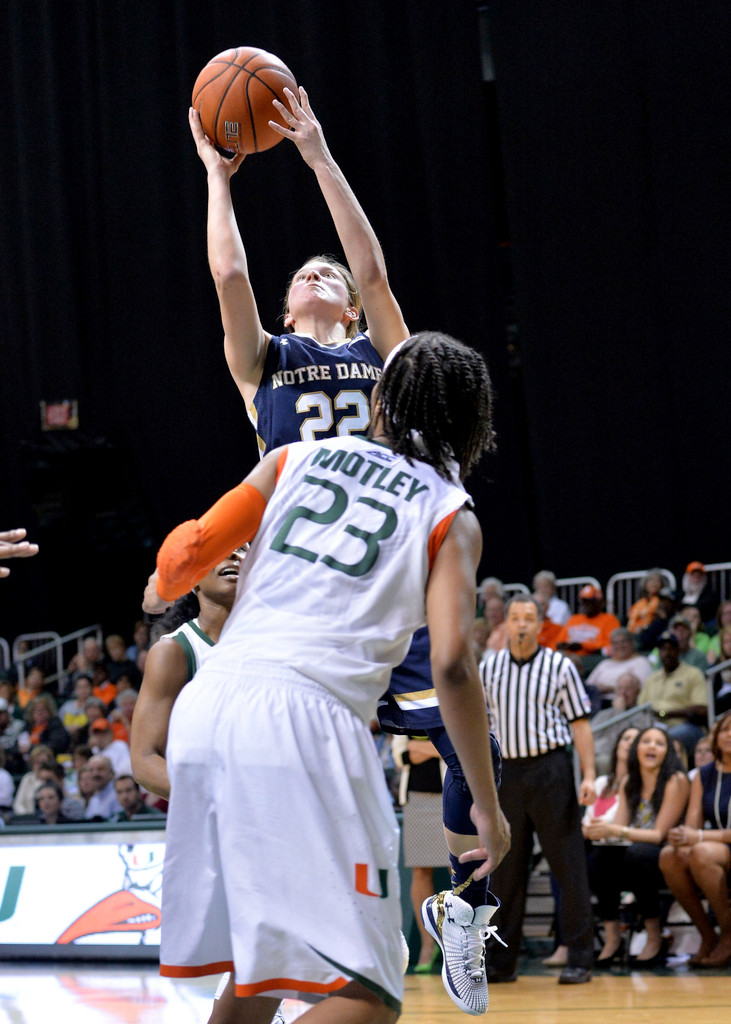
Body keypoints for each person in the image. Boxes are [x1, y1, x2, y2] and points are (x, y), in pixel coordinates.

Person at [193, 89, 503, 1016]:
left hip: (389, 584)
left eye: (328, 272)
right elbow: (228, 277)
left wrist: (320, 157)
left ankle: (465, 910)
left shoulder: (390, 361)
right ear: (289, 300)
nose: (323, 275)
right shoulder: (267, 365)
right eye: (309, 272)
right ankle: (295, 932)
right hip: (310, 596)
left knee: (461, 730)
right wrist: (218, 177)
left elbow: (370, 269)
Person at [154, 332, 509, 1023]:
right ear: (472, 424)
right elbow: (451, 665)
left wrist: (165, 572)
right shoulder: (447, 512)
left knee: (261, 971)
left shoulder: (291, 457)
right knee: (369, 994)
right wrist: (488, 811)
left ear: (378, 397)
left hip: (210, 707)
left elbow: (188, 556)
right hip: (304, 718)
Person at [480, 596, 596, 985]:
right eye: (515, 618)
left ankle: (580, 957)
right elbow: (478, 725)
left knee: (569, 866)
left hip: (551, 769)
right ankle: (500, 962)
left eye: (529, 618)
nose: (522, 625)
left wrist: (589, 775)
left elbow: (580, 724)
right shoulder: (488, 666)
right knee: (506, 870)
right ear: (506, 625)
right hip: (506, 772)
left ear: (540, 624)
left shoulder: (559, 666)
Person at [131, 551, 243, 799]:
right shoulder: (175, 651)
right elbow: (145, 759)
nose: (234, 557)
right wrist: (220, 799)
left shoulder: (275, 645)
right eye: (221, 551)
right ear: (194, 580)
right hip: (216, 814)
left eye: (242, 551)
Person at [584, 726, 689, 965]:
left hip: (666, 855)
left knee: (637, 854)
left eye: (659, 743)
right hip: (634, 853)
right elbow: (619, 830)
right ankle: (613, 936)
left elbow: (659, 834)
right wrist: (599, 829)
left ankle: (654, 933)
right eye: (646, 741)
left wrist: (615, 830)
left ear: (667, 752)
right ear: (637, 749)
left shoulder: (676, 780)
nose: (652, 746)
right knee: (600, 855)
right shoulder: (630, 781)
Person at [660, 710, 731, 967]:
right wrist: (682, 837)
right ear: (715, 736)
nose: (729, 734)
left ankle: (729, 934)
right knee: (669, 856)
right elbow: (693, 821)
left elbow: (699, 834)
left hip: (719, 846)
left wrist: (698, 837)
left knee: (702, 852)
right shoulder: (704, 774)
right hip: (716, 846)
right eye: (724, 729)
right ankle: (707, 935)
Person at [391, 734, 448, 973]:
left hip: (451, 796)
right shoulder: (404, 708)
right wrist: (435, 746)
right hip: (415, 797)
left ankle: (460, 945)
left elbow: (455, 748)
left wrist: (419, 747)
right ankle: (427, 945)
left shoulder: (449, 702)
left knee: (458, 871)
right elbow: (401, 755)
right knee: (420, 870)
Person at [638, 632, 708, 760]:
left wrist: (665, 714)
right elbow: (641, 708)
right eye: (663, 649)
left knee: (664, 739)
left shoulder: (693, 673)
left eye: (671, 648)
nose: (667, 653)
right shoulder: (652, 678)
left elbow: (701, 709)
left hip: (687, 726)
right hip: (654, 725)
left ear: (678, 650)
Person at [555, 585, 621, 677]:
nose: (585, 605)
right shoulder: (573, 619)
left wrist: (583, 646)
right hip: (569, 658)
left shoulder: (609, 620)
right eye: (583, 602)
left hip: (593, 661)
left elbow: (609, 647)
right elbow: (559, 643)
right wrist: (566, 646)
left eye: (590, 602)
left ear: (600, 603)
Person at [584, 628, 653, 704]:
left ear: (632, 643)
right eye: (615, 643)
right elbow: (588, 685)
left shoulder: (641, 662)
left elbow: (641, 689)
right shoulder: (605, 663)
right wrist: (597, 689)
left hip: (623, 704)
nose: (619, 646)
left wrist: (611, 689)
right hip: (595, 701)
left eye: (623, 642)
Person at [676, 562, 719, 626]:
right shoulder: (679, 595)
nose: (696, 579)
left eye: (699, 576)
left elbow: (704, 608)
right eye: (693, 576)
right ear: (687, 578)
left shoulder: (710, 595)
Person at [84, 754, 122, 820]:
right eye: (91, 770)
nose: (95, 773)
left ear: (111, 773)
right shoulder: (93, 800)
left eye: (100, 769)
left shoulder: (118, 795)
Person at [627, 570, 664, 634]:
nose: (654, 583)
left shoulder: (664, 601)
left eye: (657, 580)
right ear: (645, 584)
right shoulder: (638, 604)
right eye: (651, 580)